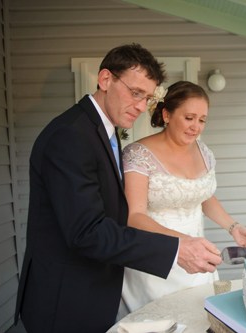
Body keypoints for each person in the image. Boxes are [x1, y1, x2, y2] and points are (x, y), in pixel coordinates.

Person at [14, 44, 222, 333]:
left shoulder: (104, 131)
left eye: (147, 97)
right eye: (135, 93)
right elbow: (87, 231)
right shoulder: (70, 135)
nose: (140, 105)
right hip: (67, 299)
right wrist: (175, 250)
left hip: (100, 289)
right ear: (105, 80)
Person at [120, 81, 246, 312]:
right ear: (166, 114)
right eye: (189, 117)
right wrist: (183, 243)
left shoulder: (203, 152)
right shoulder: (138, 155)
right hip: (156, 261)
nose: (196, 126)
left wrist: (233, 226)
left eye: (202, 120)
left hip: (198, 260)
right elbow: (134, 216)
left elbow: (204, 196)